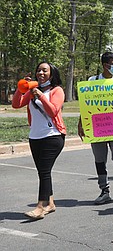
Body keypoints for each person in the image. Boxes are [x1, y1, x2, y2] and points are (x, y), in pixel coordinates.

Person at [78, 52, 113, 204]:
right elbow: (86, 104)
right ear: (105, 65)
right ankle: (104, 190)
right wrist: (81, 123)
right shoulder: (93, 81)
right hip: (97, 126)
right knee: (99, 160)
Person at [12, 62, 66, 219]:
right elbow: (16, 104)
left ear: (52, 73)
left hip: (53, 136)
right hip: (35, 136)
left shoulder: (57, 90)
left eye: (45, 70)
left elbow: (54, 110)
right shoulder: (31, 91)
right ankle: (50, 203)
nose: (40, 73)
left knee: (44, 171)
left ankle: (40, 207)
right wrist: (21, 88)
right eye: (38, 70)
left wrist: (41, 95)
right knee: (43, 172)